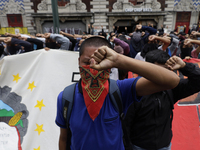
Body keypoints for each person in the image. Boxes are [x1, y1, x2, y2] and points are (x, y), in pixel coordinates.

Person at [55, 37, 179, 150]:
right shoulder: (66, 97)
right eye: (87, 63)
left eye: (100, 62)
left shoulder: (120, 90)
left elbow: (172, 80)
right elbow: (64, 138)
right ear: (78, 61)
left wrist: (118, 60)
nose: (94, 68)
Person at [125, 49, 200, 150]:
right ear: (147, 68)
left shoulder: (171, 88)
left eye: (166, 71)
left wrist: (184, 66)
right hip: (139, 146)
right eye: (158, 71)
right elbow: (125, 126)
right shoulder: (134, 90)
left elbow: (197, 82)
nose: (162, 75)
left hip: (164, 145)